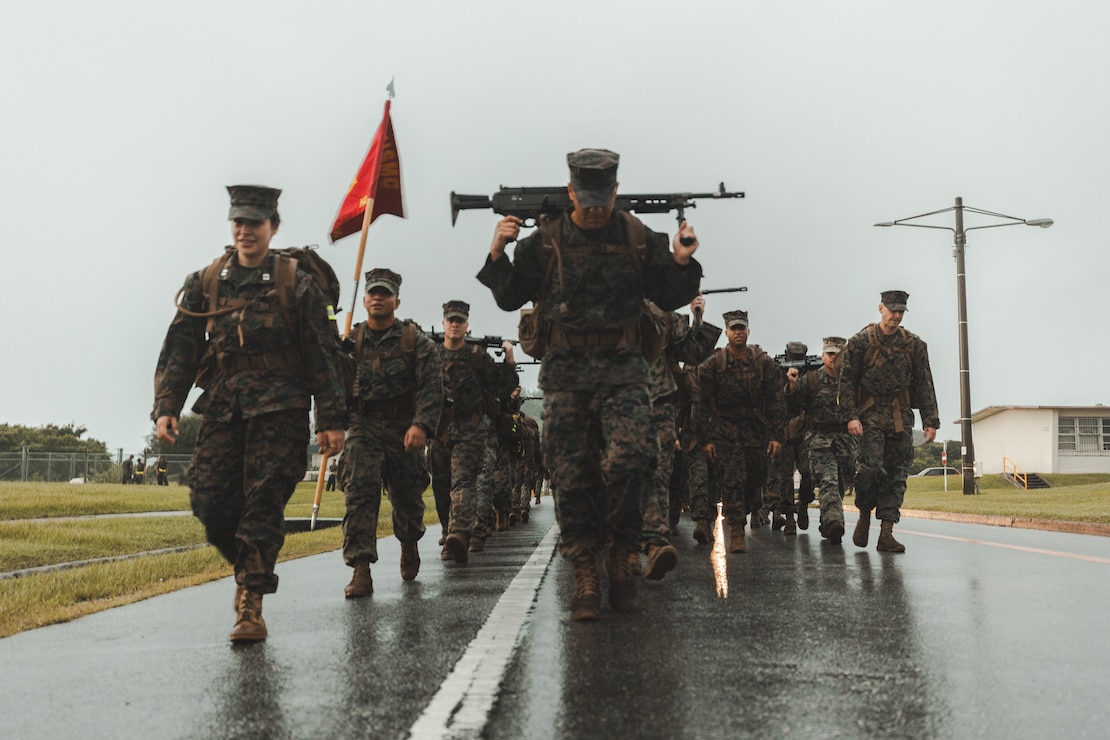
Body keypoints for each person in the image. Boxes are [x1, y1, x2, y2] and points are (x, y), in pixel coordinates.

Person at [478, 147, 702, 620]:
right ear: (570, 193)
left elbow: (669, 294)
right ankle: (584, 569)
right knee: (570, 474)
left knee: (636, 459)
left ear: (616, 192)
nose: (595, 208)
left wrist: (682, 261)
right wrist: (497, 251)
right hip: (565, 371)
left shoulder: (640, 237)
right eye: (586, 198)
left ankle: (622, 552)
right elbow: (510, 296)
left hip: (623, 368)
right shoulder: (542, 242)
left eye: (602, 198)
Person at [153, 184, 347, 643]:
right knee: (209, 502)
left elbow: (322, 352)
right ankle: (248, 567)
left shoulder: (294, 281)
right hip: (223, 409)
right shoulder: (206, 281)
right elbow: (181, 347)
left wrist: (332, 419)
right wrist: (166, 406)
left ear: (272, 227)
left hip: (281, 410)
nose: (245, 231)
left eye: (254, 223)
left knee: (262, 504)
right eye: (238, 222)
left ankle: (250, 602)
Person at [339, 268, 443, 597]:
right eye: (373, 293)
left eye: (385, 294)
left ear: (396, 301)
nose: (378, 299)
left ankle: (409, 544)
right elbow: (333, 384)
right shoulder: (351, 342)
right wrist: (330, 425)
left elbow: (432, 387)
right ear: (366, 299)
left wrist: (421, 425)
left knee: (408, 498)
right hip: (363, 427)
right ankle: (360, 569)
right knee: (359, 495)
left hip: (404, 428)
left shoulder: (416, 342)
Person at [841, 290, 939, 552]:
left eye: (900, 311)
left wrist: (930, 420)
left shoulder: (914, 345)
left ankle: (886, 532)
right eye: (892, 309)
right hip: (869, 415)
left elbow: (924, 382)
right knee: (871, 468)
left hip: (900, 416)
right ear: (880, 308)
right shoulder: (860, 342)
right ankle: (864, 512)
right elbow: (847, 382)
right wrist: (850, 416)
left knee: (896, 474)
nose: (896, 315)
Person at [427, 300, 517, 563]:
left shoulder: (478, 357)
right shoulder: (430, 355)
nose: (455, 325)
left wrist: (509, 361)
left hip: (470, 431)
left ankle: (459, 533)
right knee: (441, 484)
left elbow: (502, 392)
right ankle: (448, 530)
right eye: (450, 320)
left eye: (460, 321)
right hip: (439, 430)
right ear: (443, 324)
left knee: (464, 483)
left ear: (467, 326)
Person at [637, 296, 720, 579]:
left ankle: (656, 543)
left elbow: (694, 352)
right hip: (618, 401)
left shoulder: (664, 314)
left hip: (661, 404)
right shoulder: (609, 304)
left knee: (660, 474)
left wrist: (696, 317)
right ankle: (623, 547)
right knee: (623, 476)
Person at [696, 310, 785, 554]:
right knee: (733, 479)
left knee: (754, 482)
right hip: (725, 429)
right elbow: (701, 404)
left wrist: (777, 436)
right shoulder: (713, 365)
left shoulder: (763, 363)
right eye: (733, 329)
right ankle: (736, 530)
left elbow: (777, 401)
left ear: (748, 331)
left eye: (741, 328)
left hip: (755, 430)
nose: (738, 332)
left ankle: (744, 511)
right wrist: (704, 440)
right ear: (726, 332)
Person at [787, 337, 858, 544]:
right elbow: (791, 406)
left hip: (846, 440)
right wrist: (791, 385)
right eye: (829, 354)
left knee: (841, 483)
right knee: (828, 481)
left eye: (838, 354)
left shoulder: (852, 380)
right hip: (819, 440)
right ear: (822, 356)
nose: (833, 358)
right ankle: (834, 522)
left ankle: (827, 520)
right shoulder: (811, 380)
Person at [766, 341, 817, 535]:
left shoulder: (811, 373)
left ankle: (803, 503)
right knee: (785, 475)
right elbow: (775, 400)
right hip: (784, 428)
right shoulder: (778, 372)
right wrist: (790, 384)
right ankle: (788, 517)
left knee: (808, 472)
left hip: (805, 428)